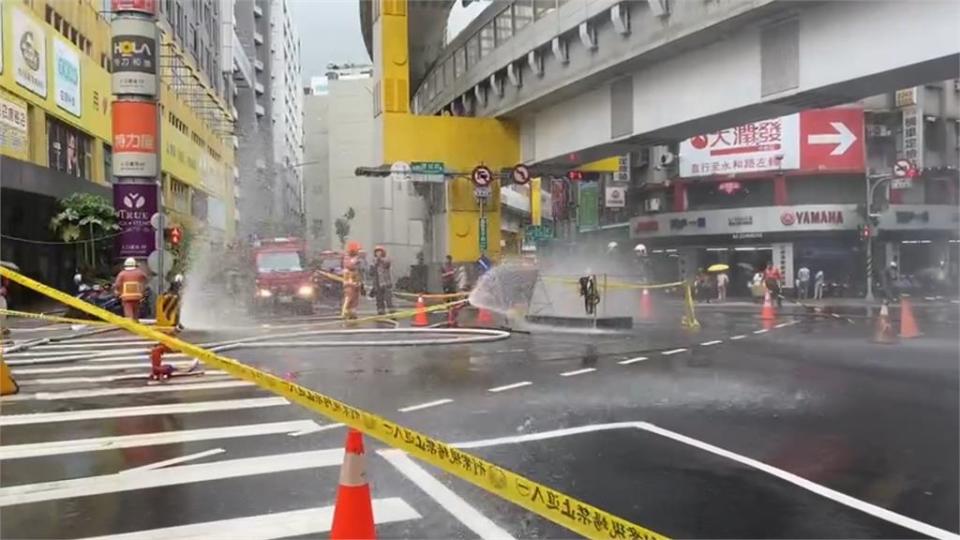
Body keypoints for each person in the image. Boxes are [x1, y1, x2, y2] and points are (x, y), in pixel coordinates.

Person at [114, 258, 148, 322]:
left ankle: (131, 327)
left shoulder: (122, 274)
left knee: (129, 314)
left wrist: (118, 292)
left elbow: (117, 285)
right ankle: (136, 325)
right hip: (137, 297)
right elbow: (145, 278)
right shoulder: (139, 273)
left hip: (126, 298)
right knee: (136, 313)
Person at [341, 241, 363, 320]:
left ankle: (353, 311)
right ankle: (345, 311)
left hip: (355, 279)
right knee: (349, 296)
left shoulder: (357, 258)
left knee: (355, 296)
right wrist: (356, 262)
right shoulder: (347, 257)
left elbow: (359, 268)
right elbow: (349, 265)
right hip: (349, 280)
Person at [370, 246, 395, 315]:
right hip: (377, 283)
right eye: (376, 252)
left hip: (386, 282)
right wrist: (374, 264)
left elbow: (387, 264)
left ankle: (391, 310)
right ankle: (380, 310)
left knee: (388, 297)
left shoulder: (386, 259)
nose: (378, 253)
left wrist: (380, 259)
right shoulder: (373, 262)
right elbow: (371, 272)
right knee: (379, 298)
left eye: (379, 251)